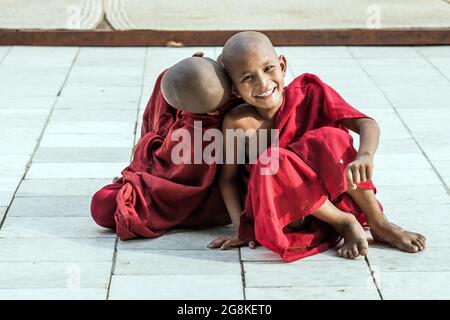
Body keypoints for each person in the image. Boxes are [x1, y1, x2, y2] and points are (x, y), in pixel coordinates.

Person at [207, 31, 426, 261]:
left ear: (282, 65)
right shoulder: (237, 123)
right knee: (273, 160)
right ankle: (344, 222)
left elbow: (365, 123)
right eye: (247, 78)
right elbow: (228, 179)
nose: (263, 83)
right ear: (234, 89)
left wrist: (365, 155)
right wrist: (239, 228)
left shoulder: (310, 92)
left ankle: (379, 222)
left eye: (268, 68)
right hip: (288, 213)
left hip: (333, 197)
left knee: (330, 138)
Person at [90, 55, 239, 240]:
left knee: (101, 204)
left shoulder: (190, 134)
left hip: (187, 204)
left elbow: (160, 164)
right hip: (221, 204)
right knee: (176, 80)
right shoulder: (235, 107)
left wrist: (143, 149)